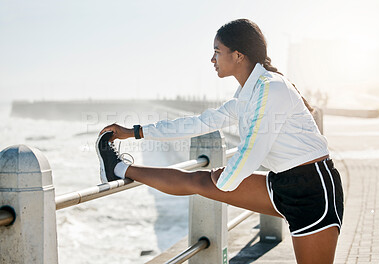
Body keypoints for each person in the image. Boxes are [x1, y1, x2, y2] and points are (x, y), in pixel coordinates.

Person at [97, 19, 344, 264]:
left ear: (238, 55)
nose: (212, 59)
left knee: (209, 181)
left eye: (217, 51)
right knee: (198, 180)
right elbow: (199, 123)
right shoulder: (246, 95)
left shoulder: (272, 88)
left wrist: (223, 179)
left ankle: (125, 169)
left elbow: (252, 151)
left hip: (313, 189)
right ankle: (118, 168)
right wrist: (135, 132)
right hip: (281, 183)